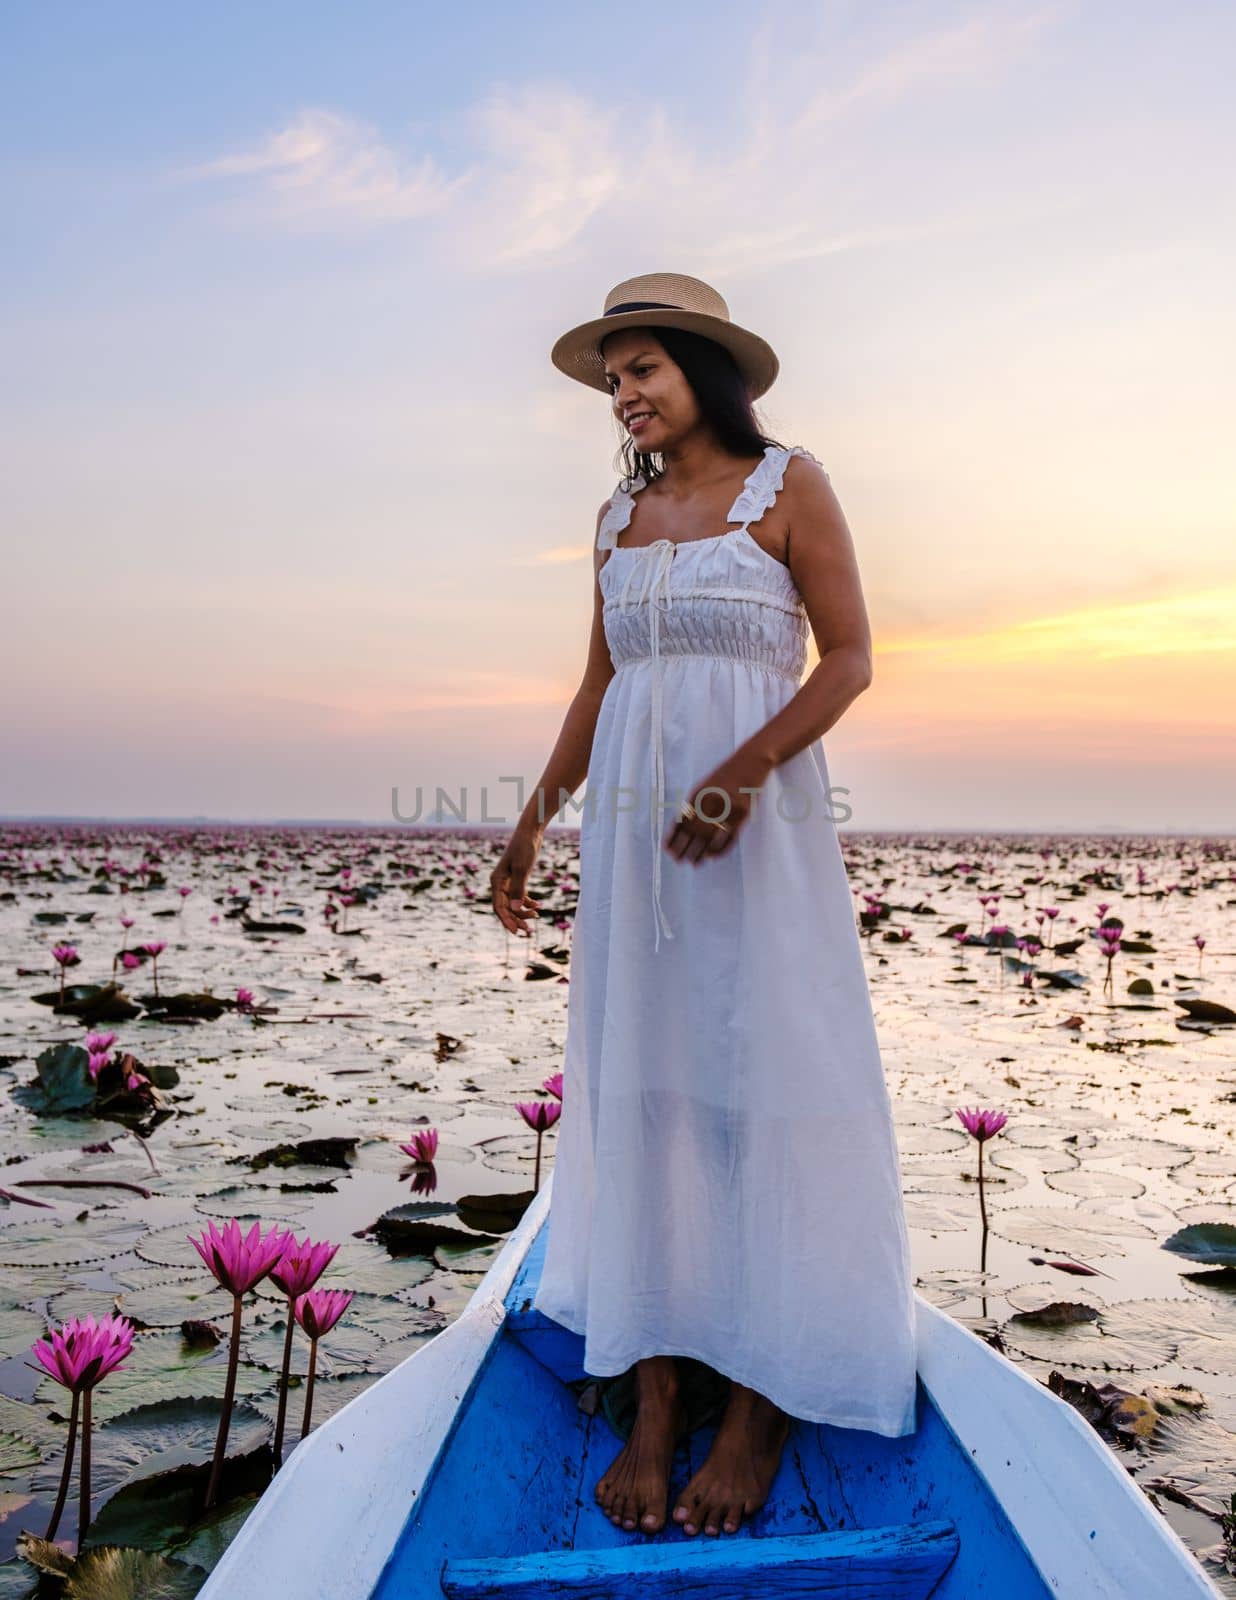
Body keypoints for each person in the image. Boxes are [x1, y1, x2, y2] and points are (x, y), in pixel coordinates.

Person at [490, 272, 917, 1542]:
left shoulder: (790, 486)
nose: (622, 396)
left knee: (762, 1080)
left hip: (758, 833)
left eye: (641, 371)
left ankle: (757, 1404)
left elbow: (848, 657)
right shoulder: (618, 513)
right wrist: (528, 823)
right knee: (648, 1087)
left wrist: (739, 777)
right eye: (610, 379)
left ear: (702, 371)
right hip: (637, 843)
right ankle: (660, 1393)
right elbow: (596, 686)